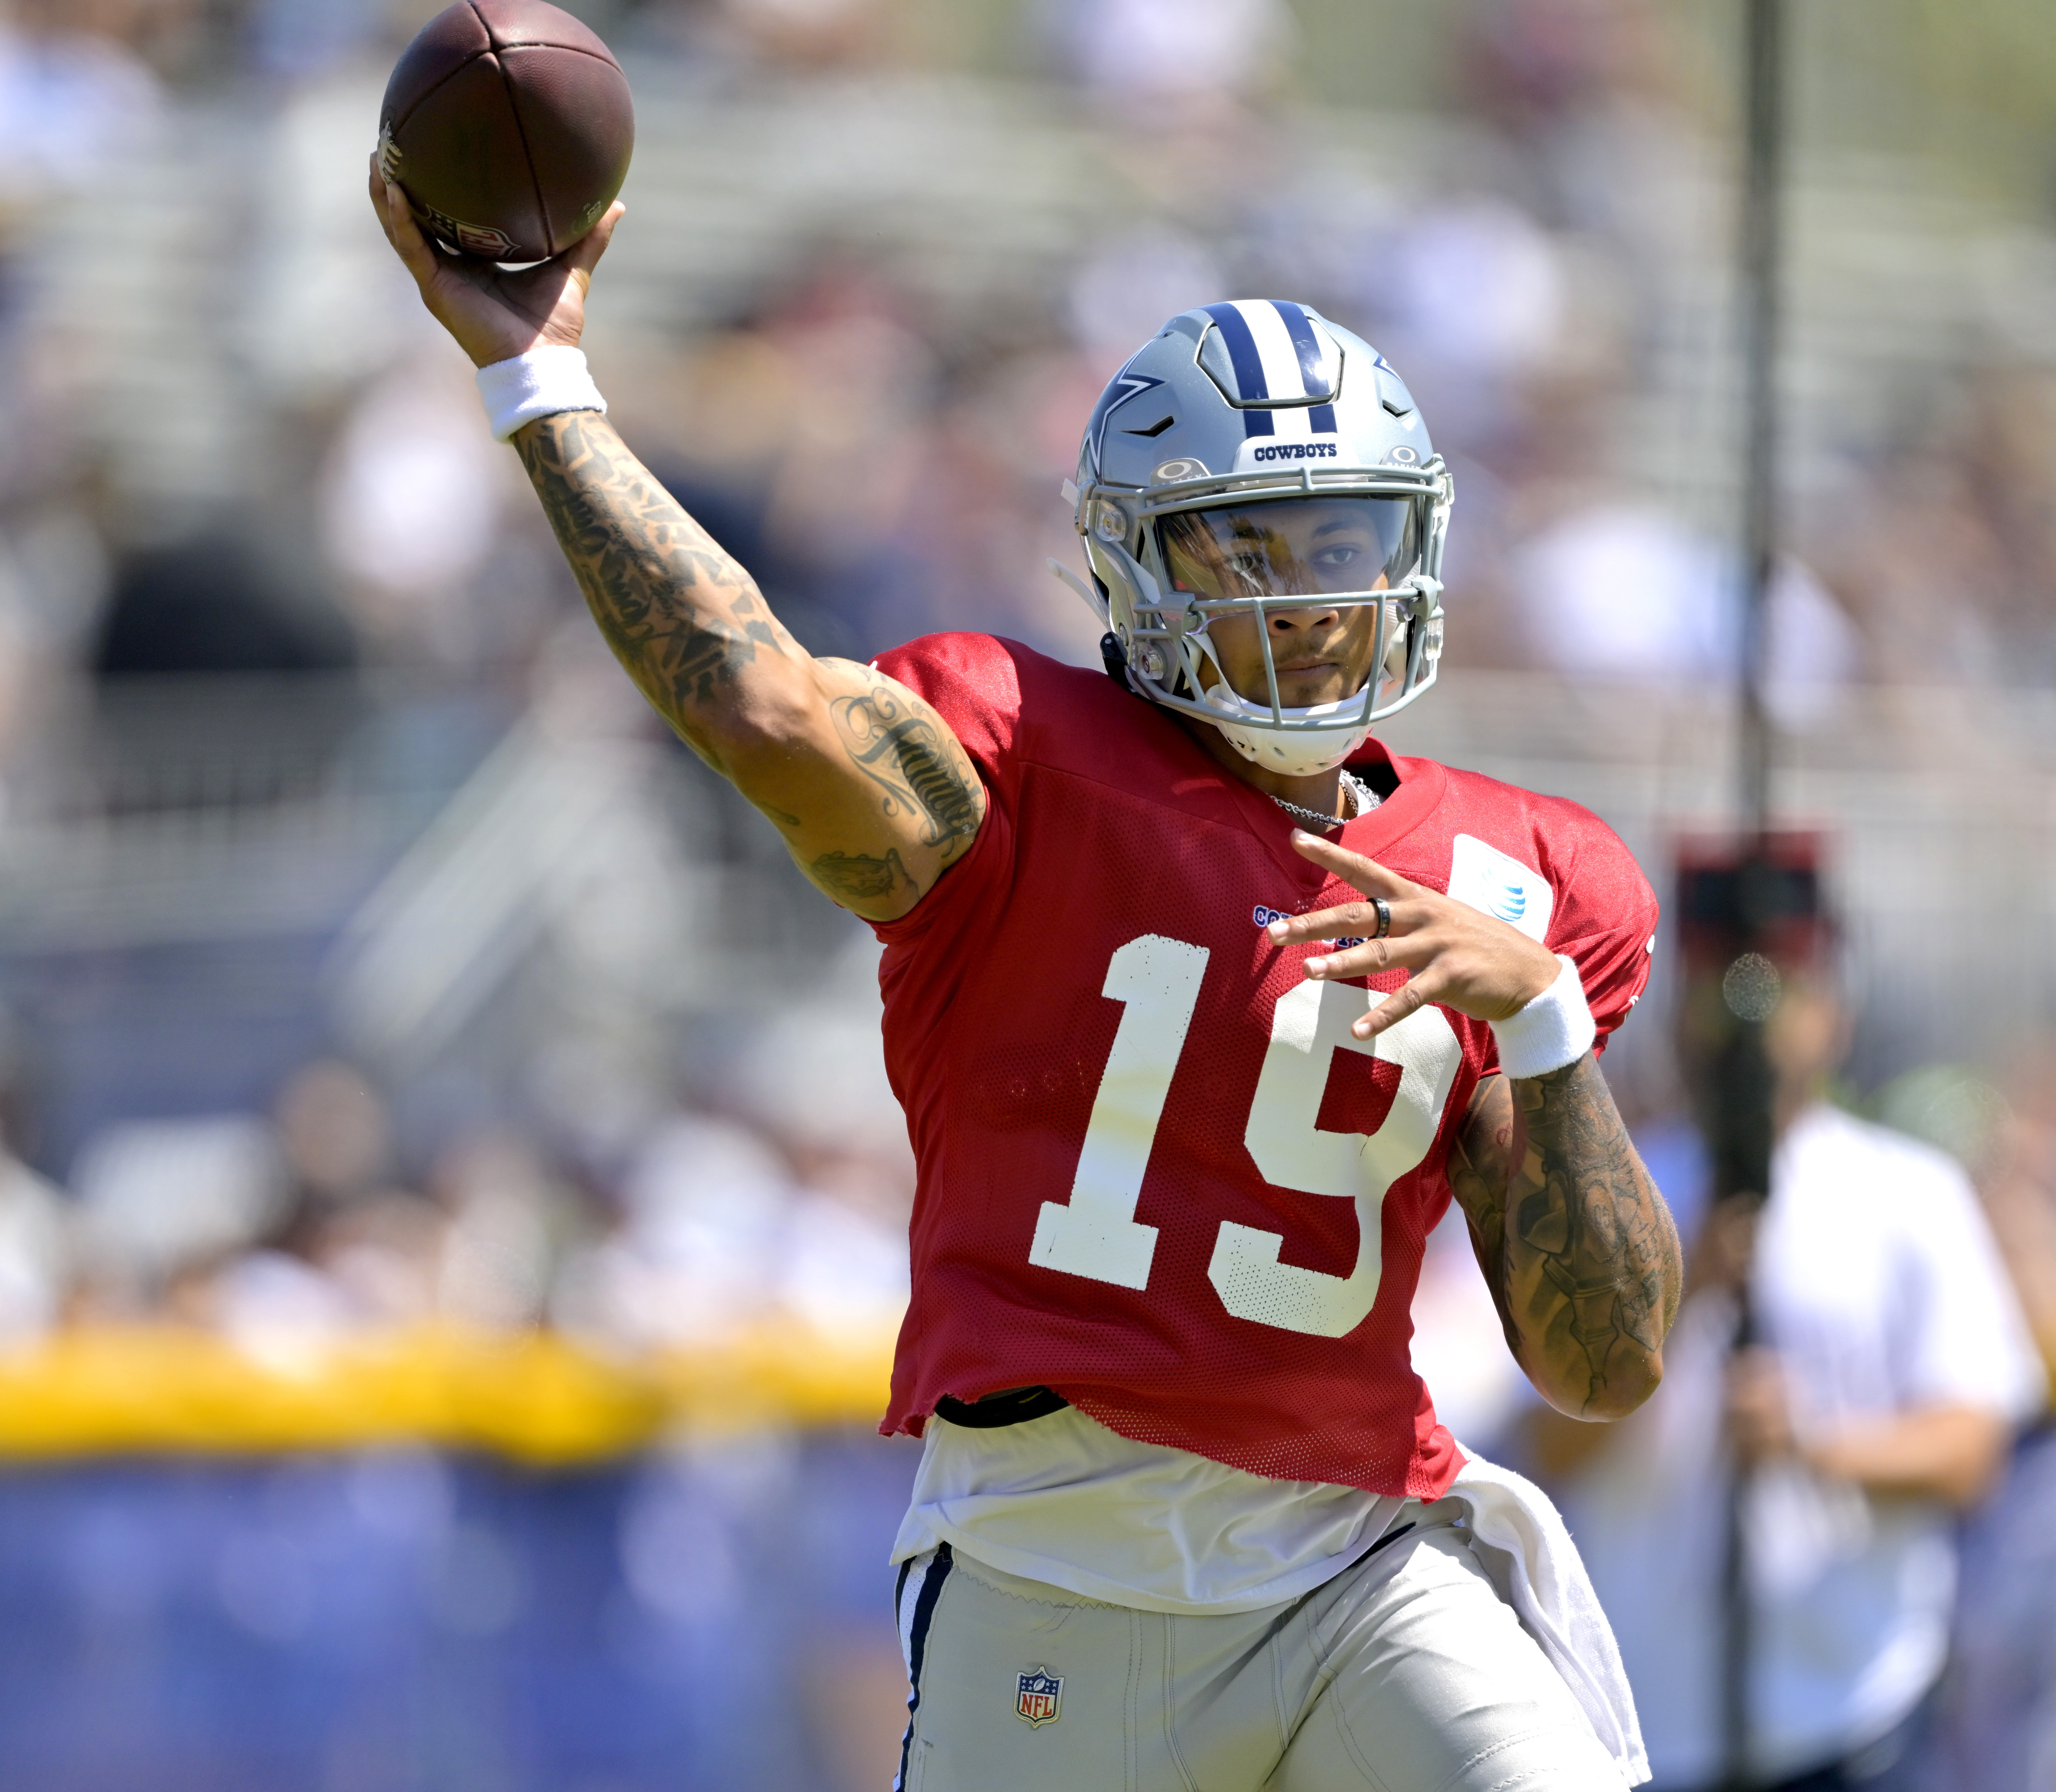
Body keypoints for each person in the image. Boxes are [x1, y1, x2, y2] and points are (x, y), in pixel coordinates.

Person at [369, 169, 1683, 1791]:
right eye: (1247, 549)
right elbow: (768, 708)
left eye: (1343, 539)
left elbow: (1603, 1368)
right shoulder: (1016, 762)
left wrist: (1545, 1027)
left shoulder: (1520, 871)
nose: (1310, 599)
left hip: (1358, 1557)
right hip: (1060, 1559)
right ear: (1137, 567)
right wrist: (539, 379)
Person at [1532, 955, 2044, 1792]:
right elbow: (1547, 1445)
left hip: (1857, 1709)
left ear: (1834, 1015)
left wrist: (1809, 1443)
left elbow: (1973, 1448)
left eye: (1783, 989)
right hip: (1645, 1721)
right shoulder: (1607, 1190)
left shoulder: (1910, 1192)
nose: (1752, 1021)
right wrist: (1677, 1290)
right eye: (1721, 987)